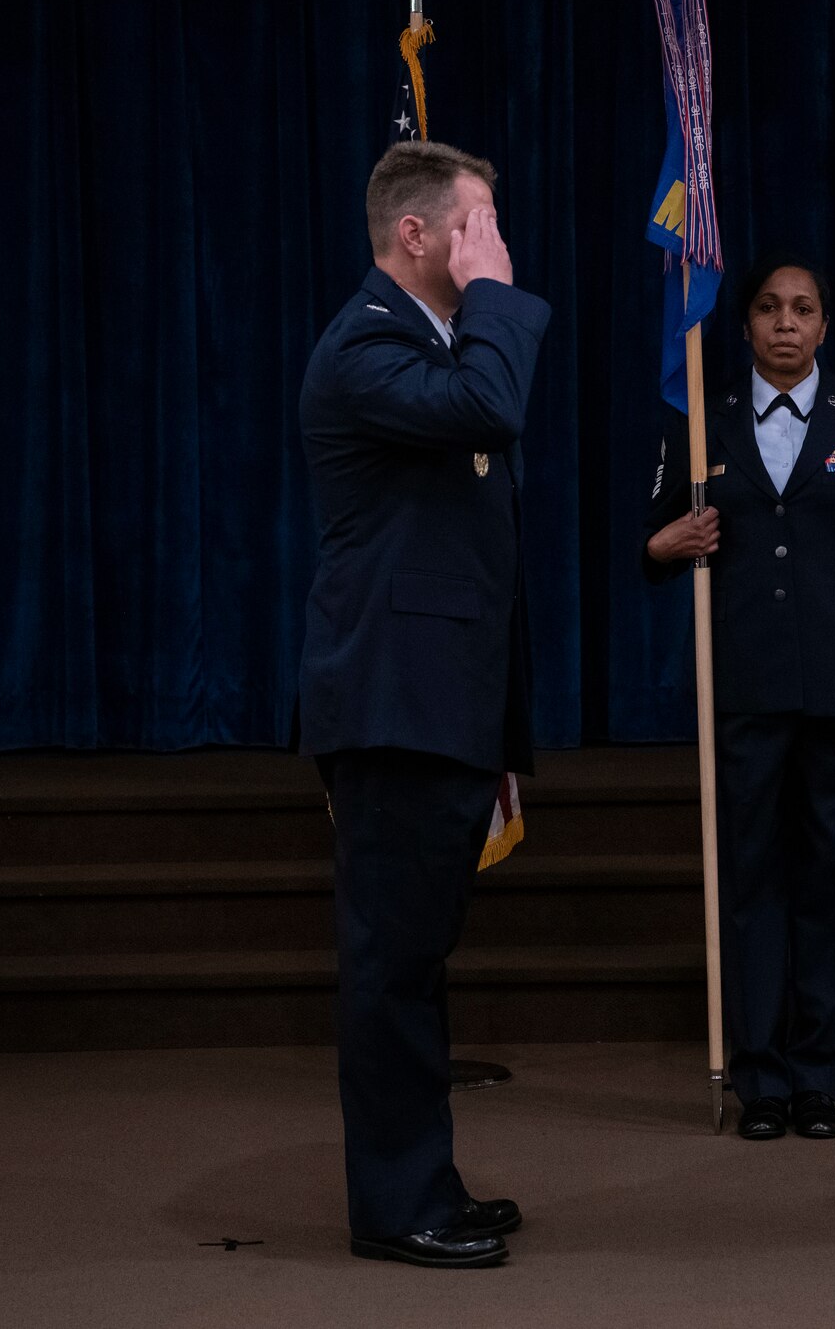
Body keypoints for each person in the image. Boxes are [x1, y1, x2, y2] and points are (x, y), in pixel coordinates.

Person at [298, 140, 551, 1268]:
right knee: (392, 965)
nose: (492, 243)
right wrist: (496, 290)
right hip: (392, 708)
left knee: (417, 958)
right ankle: (394, 1204)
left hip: (437, 708)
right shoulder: (366, 346)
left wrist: (488, 725)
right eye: (477, 223)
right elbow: (494, 404)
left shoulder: (429, 346)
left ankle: (425, 1178)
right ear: (418, 234)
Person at [643, 255, 835, 1141]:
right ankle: (760, 1077)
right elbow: (647, 537)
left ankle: (817, 1076)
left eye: (803, 308)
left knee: (828, 881)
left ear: (825, 325)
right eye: (768, 307)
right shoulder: (699, 415)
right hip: (744, 684)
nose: (785, 323)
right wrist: (666, 543)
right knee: (752, 877)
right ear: (744, 323)